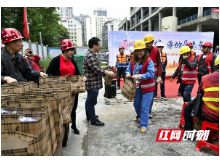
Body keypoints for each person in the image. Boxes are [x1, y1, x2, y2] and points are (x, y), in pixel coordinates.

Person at [46, 39, 85, 134]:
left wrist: (82, 77)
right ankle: (62, 128)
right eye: (71, 50)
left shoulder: (72, 60)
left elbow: (77, 72)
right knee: (62, 109)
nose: (72, 52)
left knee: (73, 108)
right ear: (65, 50)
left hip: (73, 90)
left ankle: (74, 126)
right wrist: (58, 80)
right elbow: (48, 72)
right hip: (61, 90)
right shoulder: (56, 60)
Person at [83, 37, 114, 126]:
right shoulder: (90, 56)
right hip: (92, 83)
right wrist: (107, 72)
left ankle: (90, 115)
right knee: (91, 102)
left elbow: (94, 68)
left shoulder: (92, 55)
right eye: (99, 44)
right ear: (94, 45)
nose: (100, 46)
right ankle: (93, 120)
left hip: (92, 82)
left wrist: (103, 67)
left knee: (89, 100)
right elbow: (96, 70)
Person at [125, 40, 155, 133]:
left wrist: (139, 76)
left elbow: (151, 73)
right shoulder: (132, 61)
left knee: (144, 107)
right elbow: (128, 69)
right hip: (137, 87)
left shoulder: (149, 61)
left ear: (144, 51)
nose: (138, 53)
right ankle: (138, 116)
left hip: (148, 88)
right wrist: (128, 73)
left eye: (140, 51)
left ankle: (144, 124)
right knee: (136, 104)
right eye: (137, 51)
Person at [184, 56, 219, 131]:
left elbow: (200, 93)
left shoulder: (205, 78)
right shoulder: (204, 57)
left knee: (188, 107)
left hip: (209, 115)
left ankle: (188, 131)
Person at [143, 34, 163, 118]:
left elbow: (159, 63)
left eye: (149, 43)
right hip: (143, 75)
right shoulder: (142, 50)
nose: (147, 45)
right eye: (146, 43)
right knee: (143, 94)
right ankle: (143, 111)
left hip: (153, 76)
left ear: (152, 42)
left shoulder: (156, 50)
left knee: (151, 95)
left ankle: (149, 111)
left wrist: (159, 76)